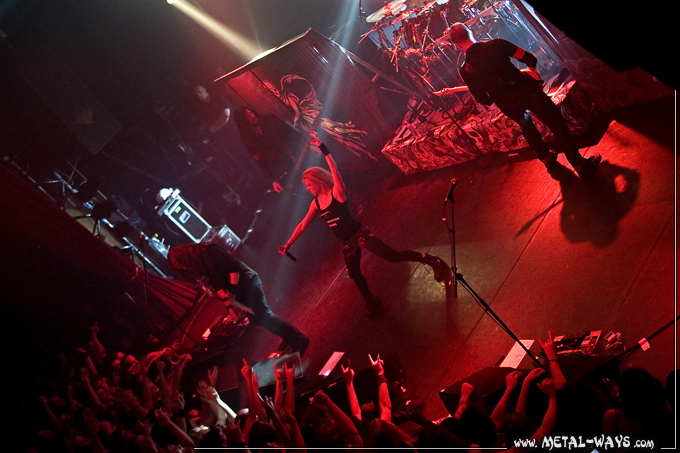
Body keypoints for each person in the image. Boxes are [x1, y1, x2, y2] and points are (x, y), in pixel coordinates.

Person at [278, 132, 452, 317]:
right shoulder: (316, 203)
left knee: (392, 256)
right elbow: (302, 224)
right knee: (354, 274)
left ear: (317, 180)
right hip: (347, 243)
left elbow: (335, 171)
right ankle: (370, 299)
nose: (307, 188)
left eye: (308, 184)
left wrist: (323, 147)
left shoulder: (337, 193)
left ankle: (432, 259)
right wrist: (288, 243)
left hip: (360, 236)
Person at [437, 23, 601, 179]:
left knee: (526, 125)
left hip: (506, 101)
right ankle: (579, 165)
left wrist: (495, 98)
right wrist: (530, 72)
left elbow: (481, 98)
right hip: (525, 89)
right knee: (555, 122)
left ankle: (547, 159)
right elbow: (529, 58)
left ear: (457, 45)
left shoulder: (465, 69)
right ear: (470, 32)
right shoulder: (497, 45)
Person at [167, 242, 310, 355]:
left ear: (184, 257)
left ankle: (299, 339)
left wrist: (233, 294)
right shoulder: (200, 262)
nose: (185, 269)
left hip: (248, 282)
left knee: (263, 315)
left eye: (182, 265)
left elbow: (234, 267)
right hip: (239, 290)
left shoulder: (209, 250)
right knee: (256, 318)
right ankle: (286, 335)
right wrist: (228, 305)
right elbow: (216, 280)